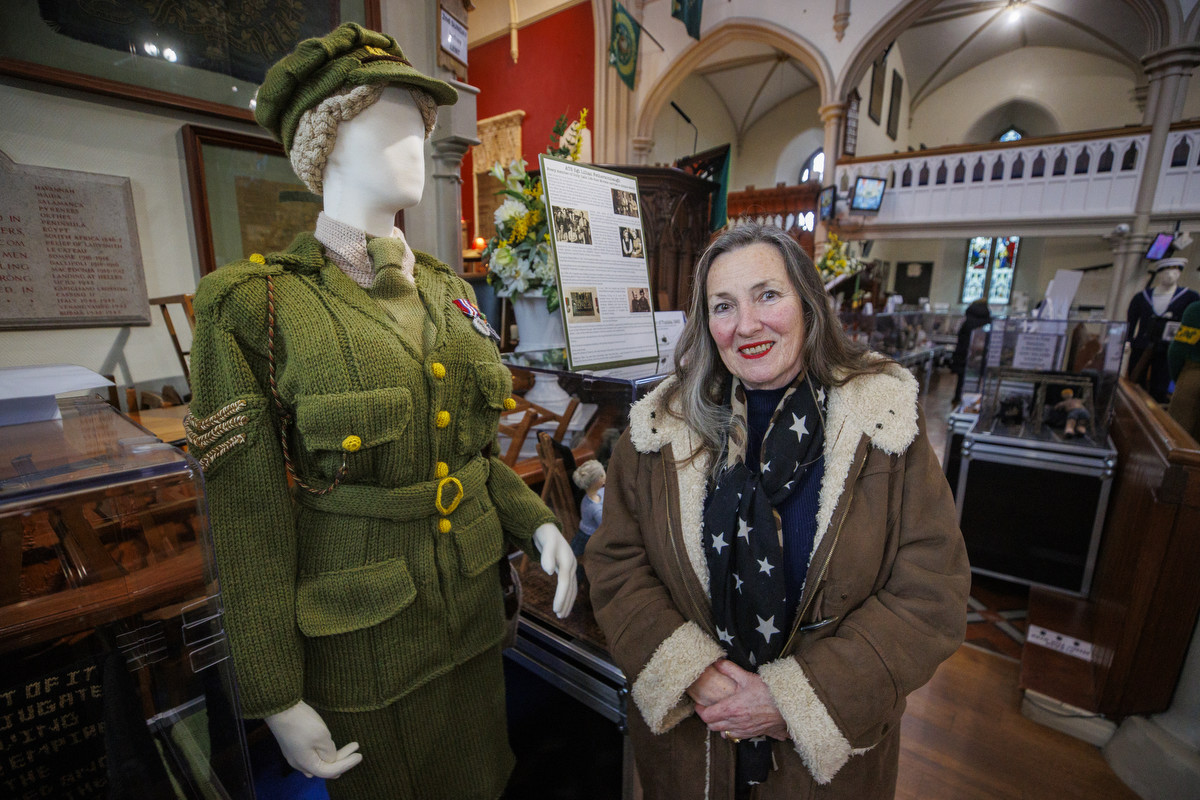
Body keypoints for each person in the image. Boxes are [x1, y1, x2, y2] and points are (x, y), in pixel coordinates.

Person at [185, 23, 576, 799]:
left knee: (485, 779)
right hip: (364, 643)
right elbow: (249, 518)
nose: (414, 134)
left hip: (470, 616)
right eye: (386, 116)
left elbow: (470, 459)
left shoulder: (451, 293)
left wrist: (537, 522)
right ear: (323, 142)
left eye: (420, 120)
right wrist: (274, 693)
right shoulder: (255, 306)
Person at [586, 225, 970, 799]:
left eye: (768, 295)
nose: (746, 325)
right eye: (724, 306)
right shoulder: (659, 429)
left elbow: (930, 593)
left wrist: (794, 700)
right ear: (704, 323)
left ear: (808, 304)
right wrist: (692, 673)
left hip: (829, 768)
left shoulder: (882, 423)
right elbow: (617, 563)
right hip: (694, 751)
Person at [1127, 259, 1199, 403]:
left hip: (1168, 347)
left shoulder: (1190, 298)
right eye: (1166, 272)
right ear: (1159, 274)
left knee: (1160, 386)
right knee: (1134, 381)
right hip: (1142, 344)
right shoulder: (1141, 297)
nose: (1171, 275)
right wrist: (1127, 340)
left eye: (1175, 271)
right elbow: (1131, 321)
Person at [950, 298, 991, 407]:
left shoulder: (966, 319)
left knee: (961, 377)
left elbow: (958, 333)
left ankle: (958, 397)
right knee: (977, 378)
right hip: (980, 354)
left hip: (964, 353)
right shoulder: (988, 320)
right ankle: (975, 400)